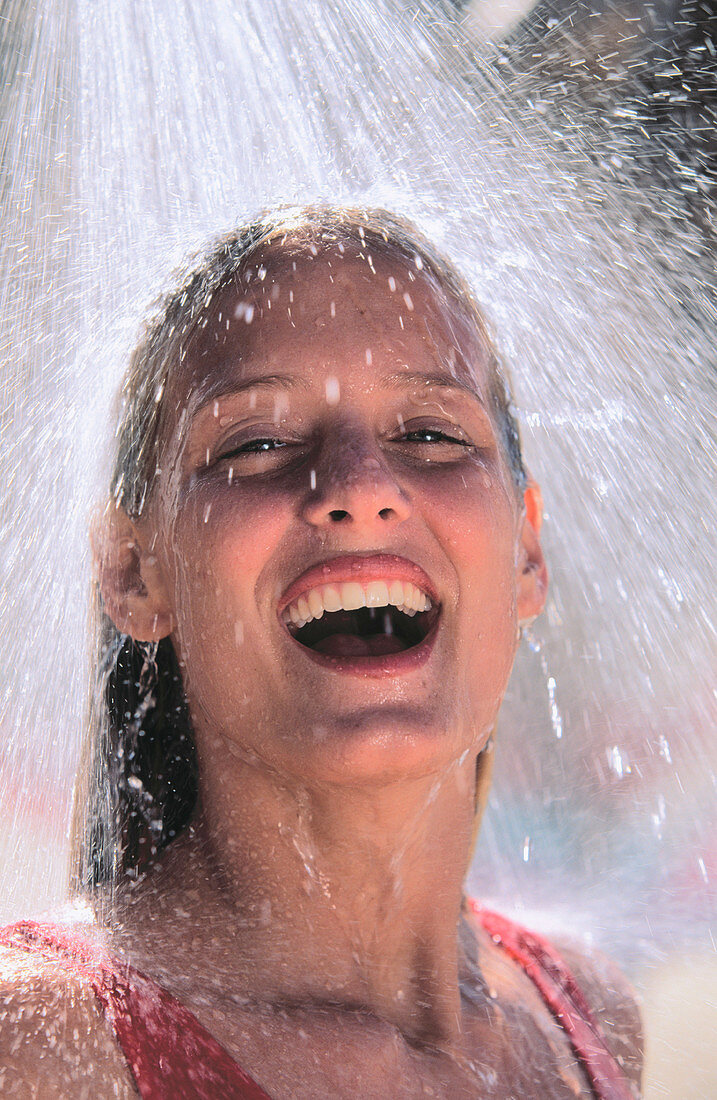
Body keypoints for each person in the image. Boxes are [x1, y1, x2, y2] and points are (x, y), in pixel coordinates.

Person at [0, 207, 643, 1098]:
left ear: (525, 553)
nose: (359, 487)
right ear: (134, 572)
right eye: (257, 444)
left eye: (430, 433)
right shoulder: (42, 1050)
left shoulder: (585, 1019)